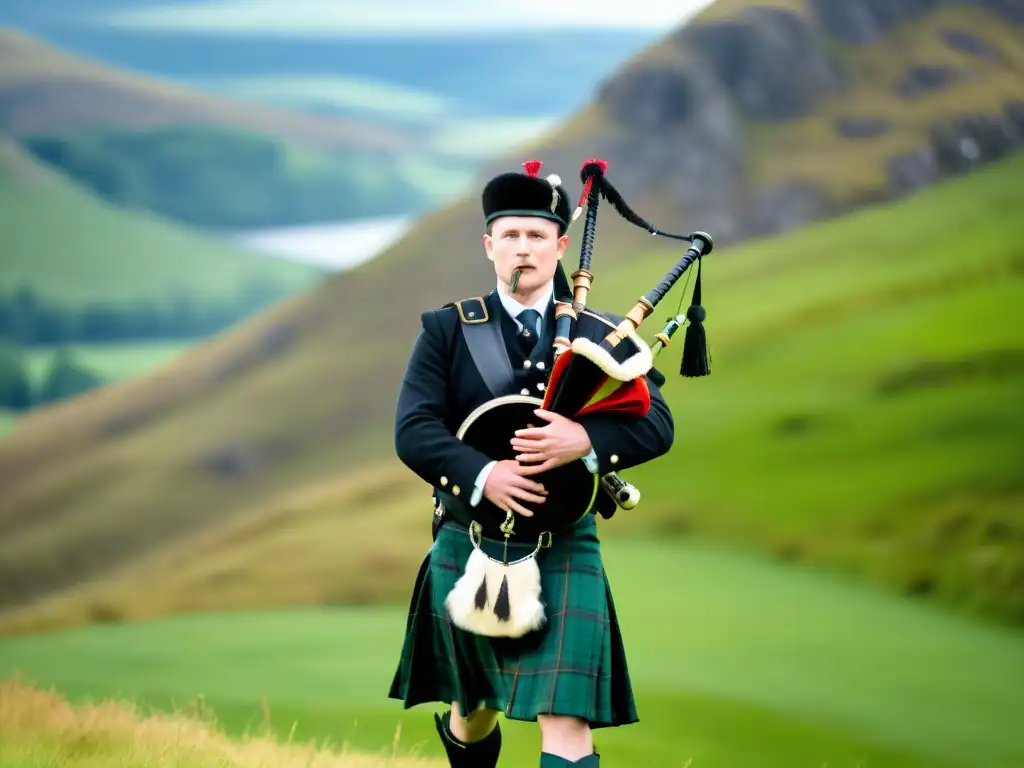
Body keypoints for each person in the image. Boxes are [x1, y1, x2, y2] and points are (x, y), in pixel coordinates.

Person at [388, 159, 675, 767]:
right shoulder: (447, 331)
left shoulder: (604, 336)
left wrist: (585, 439)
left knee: (566, 718)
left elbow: (657, 422)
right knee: (475, 708)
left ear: (560, 246)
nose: (524, 248)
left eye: (538, 236)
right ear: (489, 245)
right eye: (512, 235)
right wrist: (484, 475)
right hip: (470, 535)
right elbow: (413, 430)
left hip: (566, 538)